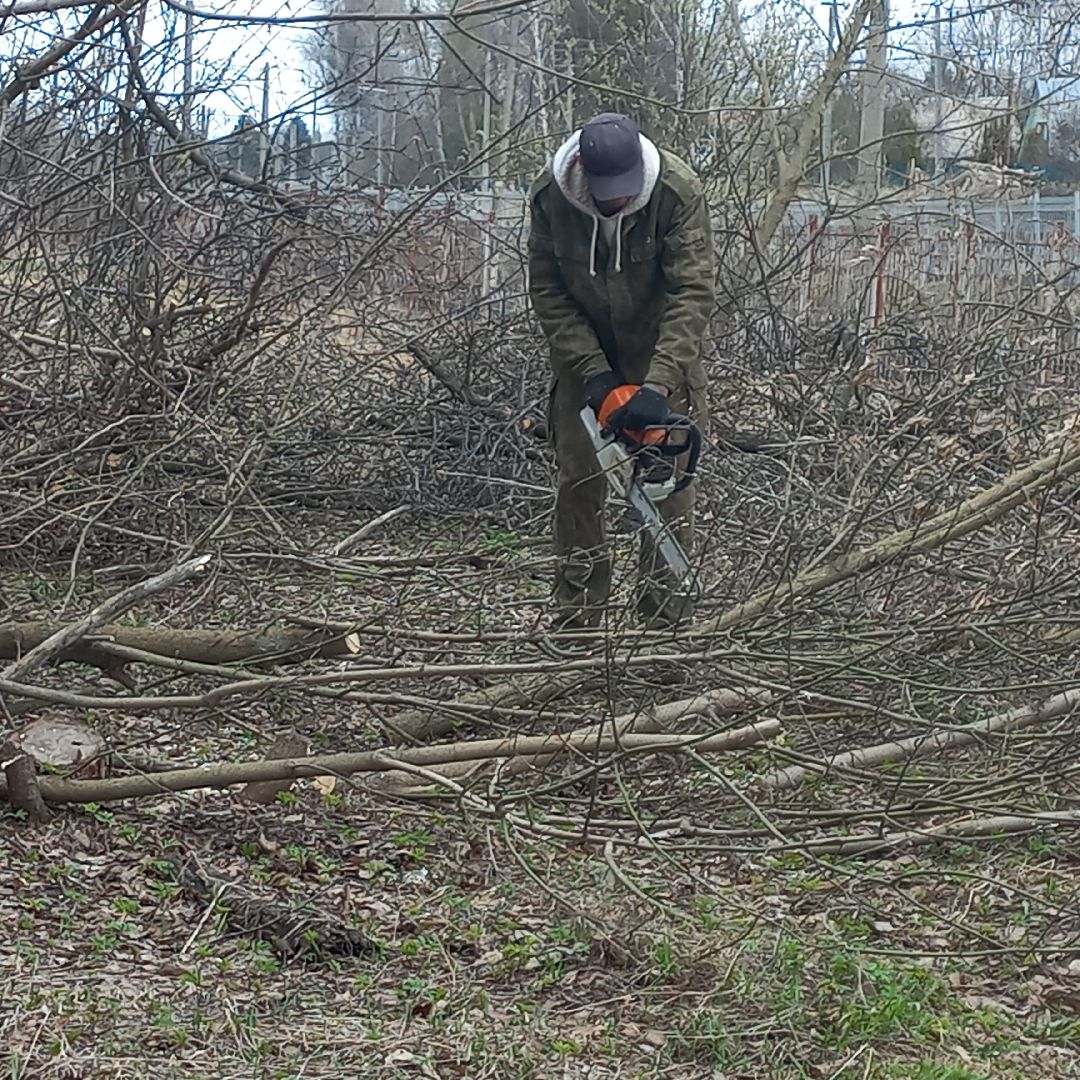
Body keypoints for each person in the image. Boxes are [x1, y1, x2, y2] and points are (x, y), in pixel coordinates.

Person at [527, 112, 715, 632]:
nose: (617, 199)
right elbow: (547, 291)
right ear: (584, 169)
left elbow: (692, 293)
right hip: (582, 353)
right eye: (608, 190)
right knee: (578, 484)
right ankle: (578, 621)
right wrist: (594, 376)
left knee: (668, 489)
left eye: (626, 189)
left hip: (662, 350)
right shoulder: (550, 198)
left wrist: (657, 385)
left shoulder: (676, 192)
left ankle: (663, 627)